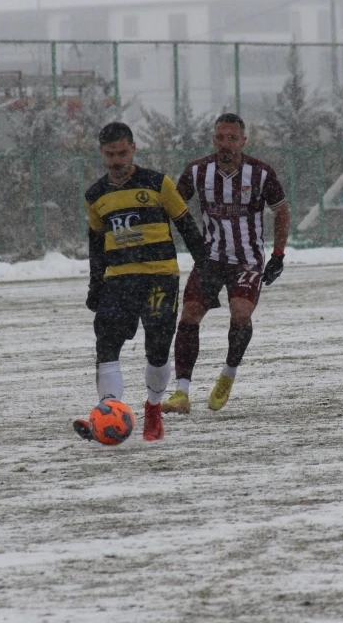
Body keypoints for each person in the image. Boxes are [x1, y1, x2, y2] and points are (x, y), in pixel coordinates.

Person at [73, 122, 210, 442]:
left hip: (159, 277)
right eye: (110, 155)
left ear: (133, 149)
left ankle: (152, 407)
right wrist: (95, 284)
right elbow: (96, 242)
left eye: (122, 153)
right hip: (119, 280)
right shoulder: (95, 194)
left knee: (157, 347)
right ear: (101, 154)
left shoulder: (158, 184)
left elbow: (186, 226)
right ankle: (108, 409)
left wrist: (206, 269)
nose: (117, 160)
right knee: (106, 342)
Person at [162, 113, 291, 414]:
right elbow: (173, 206)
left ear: (243, 141)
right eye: (220, 137)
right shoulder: (197, 171)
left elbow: (281, 212)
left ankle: (228, 374)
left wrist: (278, 255)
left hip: (247, 260)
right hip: (211, 258)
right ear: (214, 139)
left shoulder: (261, 173)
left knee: (241, 312)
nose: (225, 144)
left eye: (232, 138)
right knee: (190, 314)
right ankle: (181, 393)